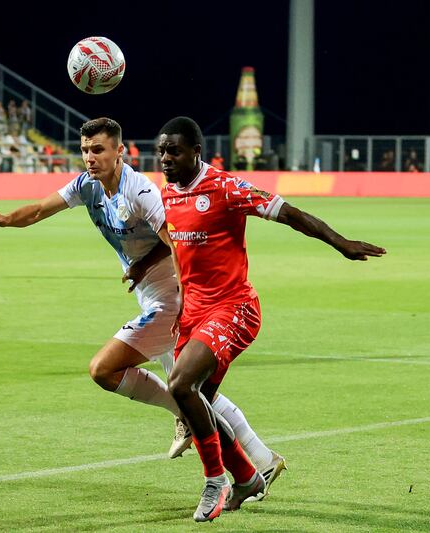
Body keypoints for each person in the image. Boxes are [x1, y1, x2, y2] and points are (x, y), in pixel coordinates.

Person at [0, 117, 286, 490]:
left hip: (172, 297)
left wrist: (160, 279)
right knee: (197, 393)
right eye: (86, 150)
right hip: (152, 294)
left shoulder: (140, 192)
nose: (90, 158)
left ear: (120, 151)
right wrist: (6, 219)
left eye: (98, 150)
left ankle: (190, 421)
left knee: (109, 371)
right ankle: (262, 461)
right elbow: (41, 209)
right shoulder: (86, 185)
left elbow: (178, 242)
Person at [157, 117, 386, 522]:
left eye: (173, 151)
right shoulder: (168, 194)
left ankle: (215, 481)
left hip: (233, 308)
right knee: (196, 404)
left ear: (196, 151)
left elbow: (290, 213)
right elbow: (178, 248)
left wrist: (340, 243)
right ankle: (247, 477)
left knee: (180, 383)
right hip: (193, 313)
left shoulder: (226, 188)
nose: (165, 158)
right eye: (161, 151)